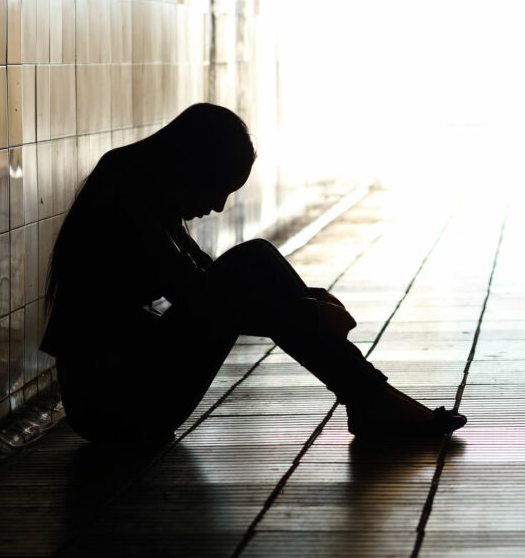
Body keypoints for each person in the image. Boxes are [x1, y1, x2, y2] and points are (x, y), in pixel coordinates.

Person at [41, 103, 466, 444]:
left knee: (255, 260)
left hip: (122, 391)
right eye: (220, 187)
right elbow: (204, 298)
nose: (220, 206)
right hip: (113, 404)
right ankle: (371, 399)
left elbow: (207, 279)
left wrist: (311, 301)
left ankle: (368, 399)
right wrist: (311, 316)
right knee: (253, 261)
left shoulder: (141, 184)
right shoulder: (126, 196)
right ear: (193, 166)